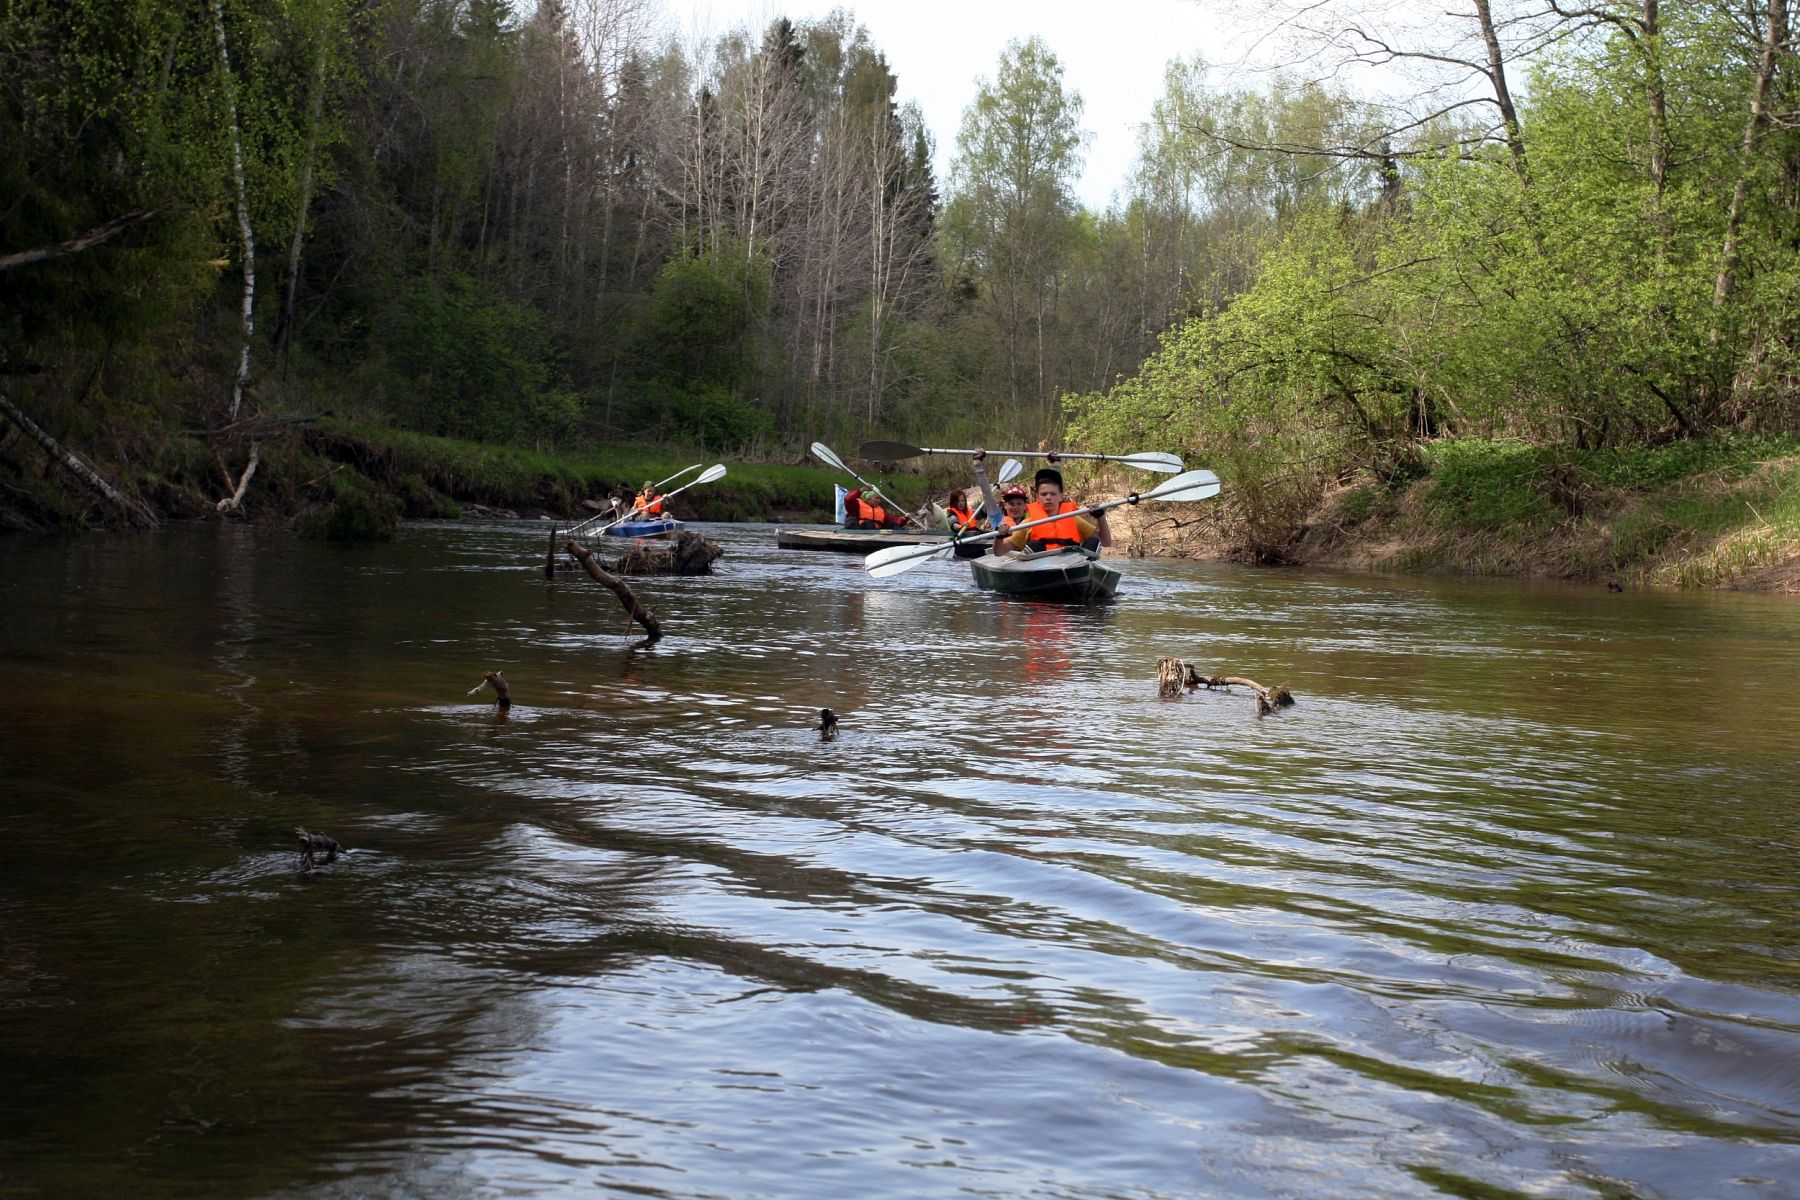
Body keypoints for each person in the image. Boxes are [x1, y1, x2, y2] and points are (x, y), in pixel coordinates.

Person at [1006, 467, 1111, 554]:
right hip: (1040, 567)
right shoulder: (1029, 523)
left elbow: (1105, 542)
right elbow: (1000, 551)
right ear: (1037, 496)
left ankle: (1083, 574)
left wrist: (1100, 517)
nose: (1048, 497)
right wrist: (999, 537)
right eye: (1044, 494)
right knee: (1034, 546)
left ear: (1060, 496)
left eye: (1053, 494)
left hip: (1070, 566)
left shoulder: (1073, 519)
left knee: (1093, 542)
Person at [989, 484, 1030, 554]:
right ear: (1005, 505)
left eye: (1019, 504)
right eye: (1011, 504)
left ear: (1025, 506)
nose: (1015, 507)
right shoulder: (1001, 523)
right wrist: (999, 536)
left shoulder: (1030, 521)